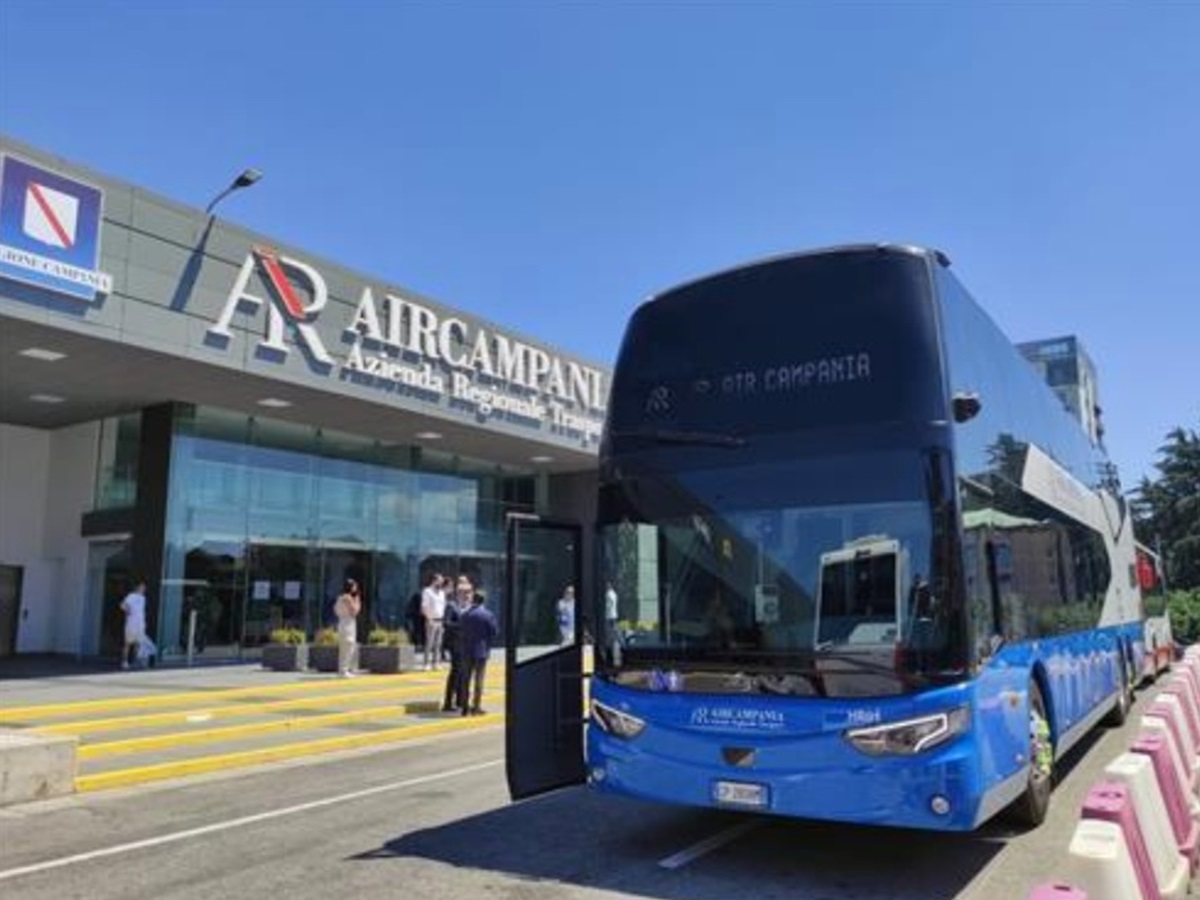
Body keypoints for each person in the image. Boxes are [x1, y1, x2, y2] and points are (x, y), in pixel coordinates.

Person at [459, 579, 498, 715]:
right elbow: (494, 632)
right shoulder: (488, 615)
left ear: (473, 600)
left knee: (466, 679)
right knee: (479, 680)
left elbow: (461, 631)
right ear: (484, 601)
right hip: (481, 651)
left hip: (466, 650)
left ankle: (464, 707)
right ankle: (476, 707)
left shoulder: (464, 615)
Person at [441, 576, 470, 712]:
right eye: (465, 592)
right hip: (455, 644)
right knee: (455, 672)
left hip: (465, 644)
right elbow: (446, 623)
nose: (468, 595)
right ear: (459, 593)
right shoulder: (451, 605)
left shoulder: (468, 607)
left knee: (463, 673)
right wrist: (461, 625)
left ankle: (460, 701)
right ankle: (448, 702)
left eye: (469, 592)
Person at [334, 578, 362, 678]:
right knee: (348, 646)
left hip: (342, 622)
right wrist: (358, 601)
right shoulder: (348, 598)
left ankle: (344, 669)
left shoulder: (340, 598)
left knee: (345, 647)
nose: (356, 588)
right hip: (348, 623)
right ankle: (344, 670)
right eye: (354, 586)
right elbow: (354, 611)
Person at [120, 580, 148, 669]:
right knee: (128, 643)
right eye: (142, 587)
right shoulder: (131, 596)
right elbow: (122, 605)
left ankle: (134, 661)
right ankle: (124, 661)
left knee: (138, 643)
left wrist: (143, 622)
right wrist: (128, 611)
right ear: (137, 587)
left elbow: (142, 611)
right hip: (131, 623)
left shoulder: (143, 598)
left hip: (140, 624)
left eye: (144, 587)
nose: (143, 589)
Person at [421, 572, 446, 670]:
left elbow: (443, 606)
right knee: (429, 643)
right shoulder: (427, 591)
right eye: (440, 581)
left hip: (440, 620)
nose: (441, 583)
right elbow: (424, 606)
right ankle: (426, 663)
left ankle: (436, 662)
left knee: (438, 643)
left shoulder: (442, 593)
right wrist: (428, 618)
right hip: (431, 620)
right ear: (434, 581)